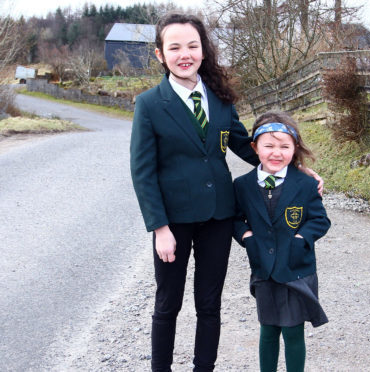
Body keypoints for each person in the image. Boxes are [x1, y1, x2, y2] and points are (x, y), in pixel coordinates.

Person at [130, 13, 323, 372]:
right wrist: (159, 229)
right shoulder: (150, 105)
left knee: (209, 303)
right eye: (174, 47)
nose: (184, 54)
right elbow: (142, 173)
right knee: (167, 303)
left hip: (219, 216)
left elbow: (245, 145)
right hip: (173, 222)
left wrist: (295, 169)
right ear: (161, 55)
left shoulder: (219, 98)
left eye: (192, 45)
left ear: (203, 50)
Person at [233, 111, 331, 372]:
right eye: (269, 146)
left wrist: (301, 238)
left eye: (284, 147)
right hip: (263, 269)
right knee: (268, 329)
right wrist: (247, 237)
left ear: (294, 148)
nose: (277, 153)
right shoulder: (242, 185)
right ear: (255, 147)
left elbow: (320, 220)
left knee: (293, 331)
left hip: (296, 268)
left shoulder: (306, 184)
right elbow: (235, 218)